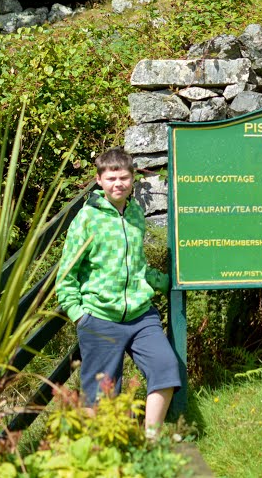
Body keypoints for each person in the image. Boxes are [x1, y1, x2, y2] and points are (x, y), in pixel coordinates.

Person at [55, 146, 180, 439]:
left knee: (165, 367)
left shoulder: (135, 212)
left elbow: (137, 264)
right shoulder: (87, 219)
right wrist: (79, 315)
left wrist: (167, 281)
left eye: (123, 177)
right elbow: (66, 275)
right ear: (99, 180)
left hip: (140, 315)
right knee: (99, 395)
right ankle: (100, 453)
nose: (118, 184)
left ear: (132, 179)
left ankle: (151, 440)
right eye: (111, 178)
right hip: (99, 318)